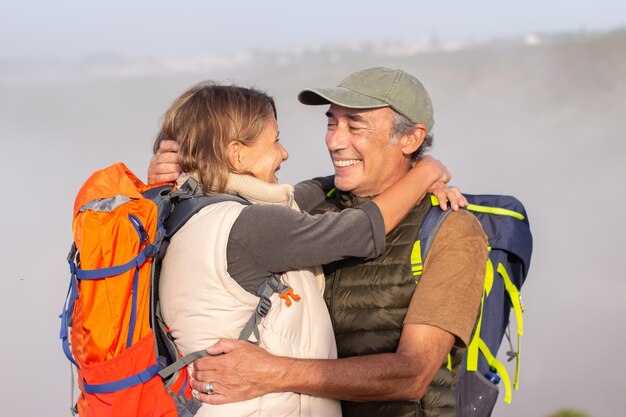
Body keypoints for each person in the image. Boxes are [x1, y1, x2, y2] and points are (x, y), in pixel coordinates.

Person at [152, 80, 464, 417]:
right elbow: (361, 230)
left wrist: (377, 170)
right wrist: (426, 170)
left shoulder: (182, 211)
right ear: (237, 154)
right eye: (275, 141)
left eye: (353, 125)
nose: (285, 152)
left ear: (411, 138)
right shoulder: (252, 226)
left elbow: (297, 196)